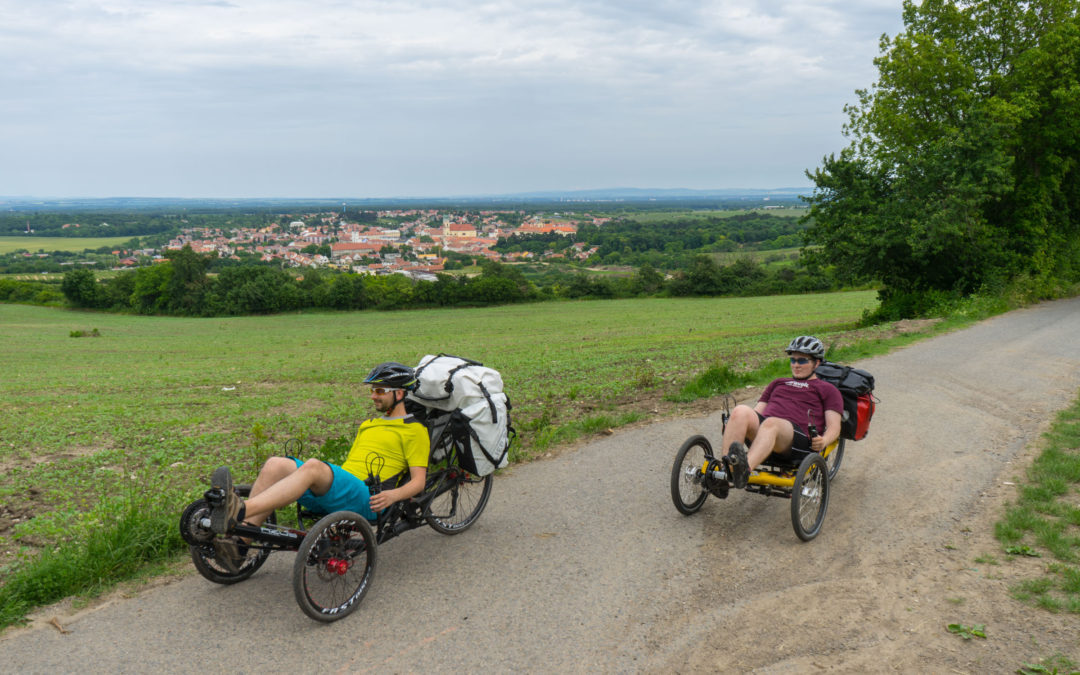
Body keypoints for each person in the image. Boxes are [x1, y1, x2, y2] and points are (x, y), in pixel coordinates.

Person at [207, 361, 430, 572]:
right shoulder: (369, 424)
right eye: (372, 390)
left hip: (368, 496)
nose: (373, 396)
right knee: (275, 464)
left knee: (314, 467)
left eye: (380, 391)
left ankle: (241, 510)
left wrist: (392, 496)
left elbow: (419, 481)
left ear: (399, 393)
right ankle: (240, 545)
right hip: (342, 490)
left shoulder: (415, 430)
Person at [721, 336, 843, 489]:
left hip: (796, 442)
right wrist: (734, 423)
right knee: (740, 411)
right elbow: (756, 413)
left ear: (816, 363)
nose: (796, 365)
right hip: (765, 437)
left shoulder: (828, 389)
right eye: (793, 360)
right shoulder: (778, 382)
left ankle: (744, 471)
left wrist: (824, 441)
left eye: (802, 361)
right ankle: (725, 470)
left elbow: (834, 427)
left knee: (772, 423)